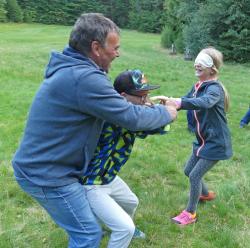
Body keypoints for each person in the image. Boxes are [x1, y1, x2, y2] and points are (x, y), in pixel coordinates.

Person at [12, 13, 178, 247]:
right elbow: (131, 117)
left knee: (86, 226)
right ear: (96, 47)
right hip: (46, 175)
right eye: (115, 47)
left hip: (53, 169)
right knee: (87, 234)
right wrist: (168, 112)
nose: (118, 53)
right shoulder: (84, 78)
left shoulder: (74, 70)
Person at [82, 69, 168, 248]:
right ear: (123, 96)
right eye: (141, 96)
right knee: (124, 229)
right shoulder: (120, 117)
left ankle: (104, 221)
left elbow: (156, 125)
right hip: (91, 182)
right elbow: (157, 126)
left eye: (147, 95)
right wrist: (164, 110)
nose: (145, 100)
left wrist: (152, 108)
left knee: (131, 202)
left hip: (108, 177)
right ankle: (104, 225)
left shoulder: (130, 112)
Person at [155, 47, 232, 226]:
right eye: (196, 60)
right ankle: (204, 194)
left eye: (202, 61)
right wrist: (170, 101)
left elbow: (204, 102)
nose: (196, 64)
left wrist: (180, 103)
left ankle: (191, 213)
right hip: (203, 140)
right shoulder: (197, 86)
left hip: (216, 143)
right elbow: (186, 99)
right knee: (188, 171)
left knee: (194, 176)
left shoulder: (214, 89)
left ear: (212, 68)